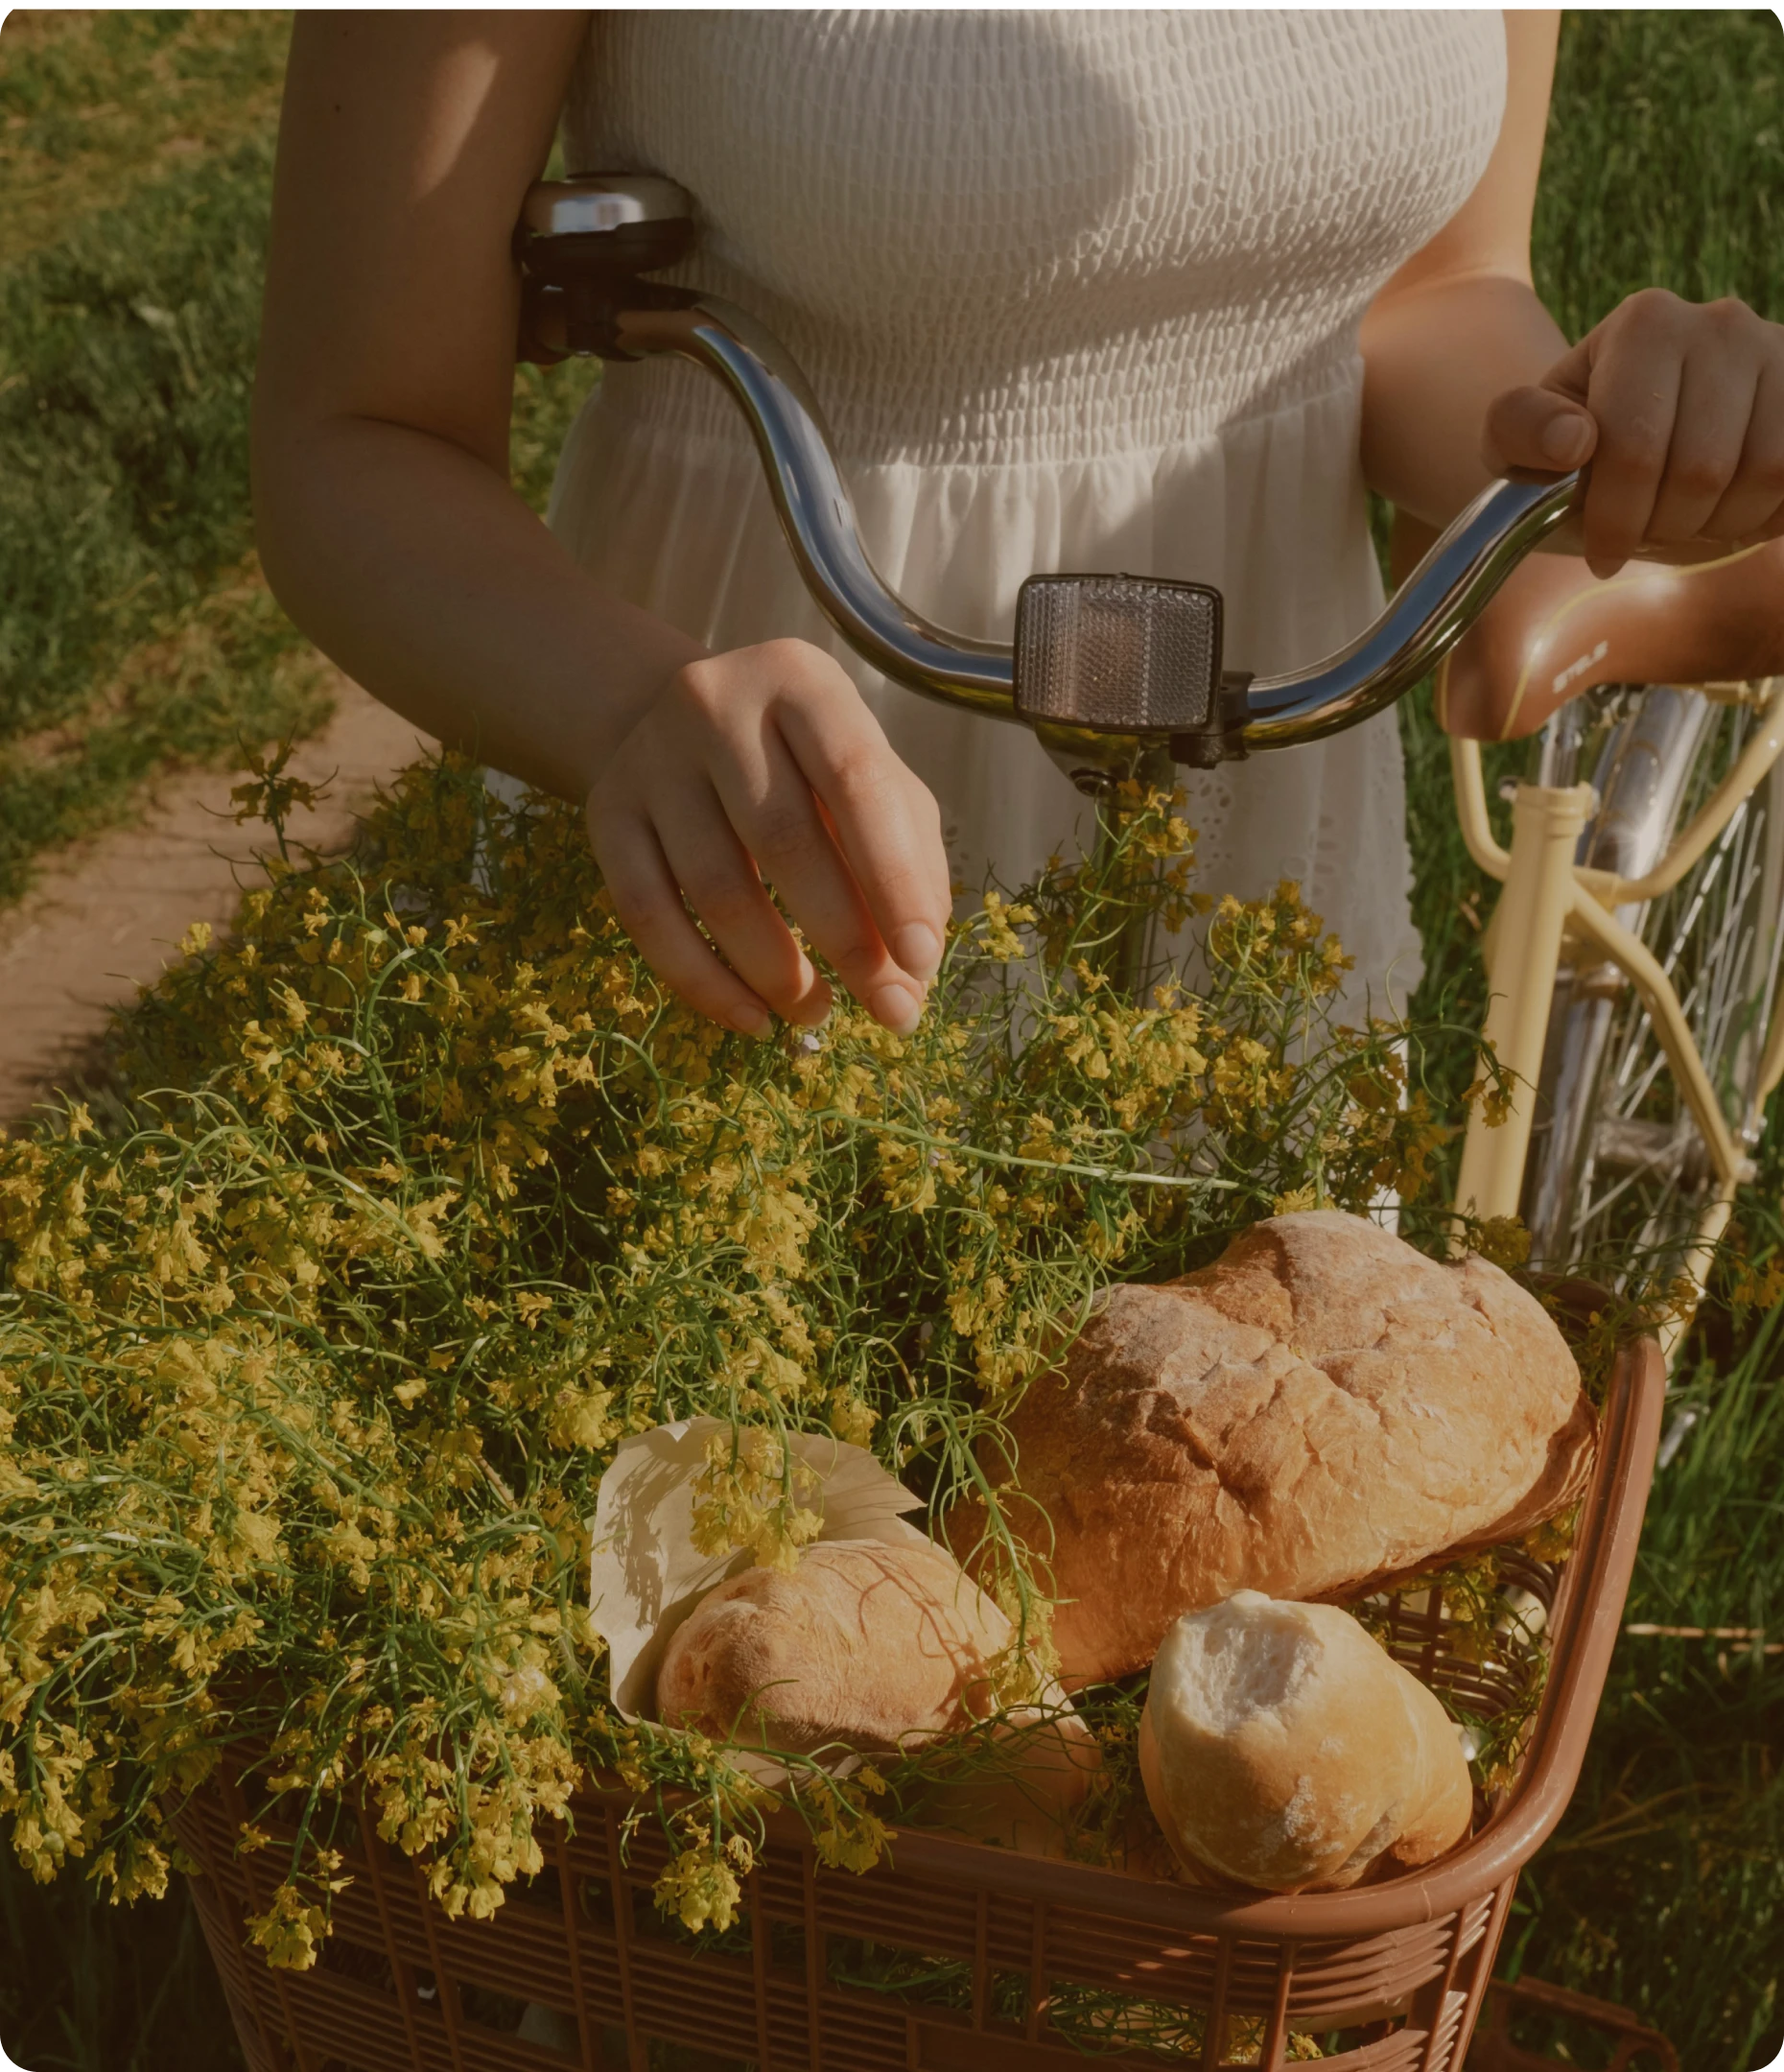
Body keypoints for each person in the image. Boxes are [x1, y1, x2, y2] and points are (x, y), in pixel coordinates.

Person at [253, 12, 1784, 1043]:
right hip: (769, 857)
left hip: (1266, 850)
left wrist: (1605, 439)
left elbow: (1430, 293)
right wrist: (625, 708)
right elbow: (360, 436)